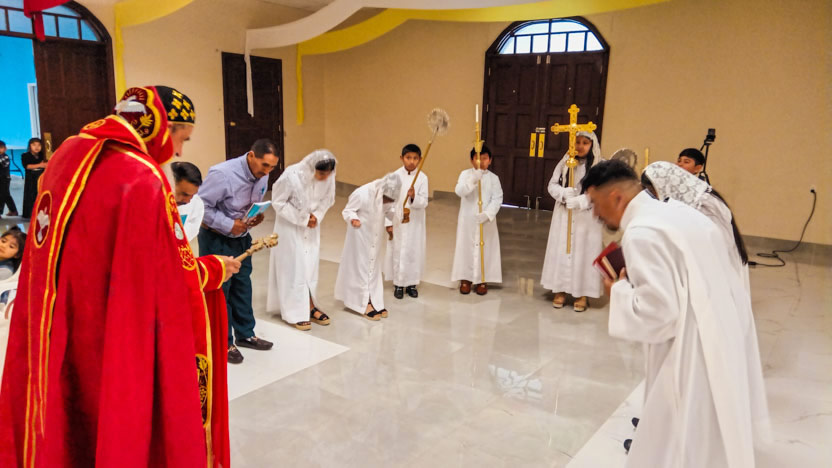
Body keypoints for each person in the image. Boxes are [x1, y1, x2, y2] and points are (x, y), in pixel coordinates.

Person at [0, 85, 241, 468]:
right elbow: (170, 275)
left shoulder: (69, 152)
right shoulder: (141, 177)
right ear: (161, 127)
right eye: (181, 138)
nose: (179, 152)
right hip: (109, 325)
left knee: (64, 413)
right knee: (111, 416)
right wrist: (214, 269)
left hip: (56, 315)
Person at [583, 160, 769, 467]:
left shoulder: (642, 232)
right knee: (709, 436)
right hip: (721, 335)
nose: (594, 214)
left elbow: (659, 315)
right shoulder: (680, 213)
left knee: (677, 440)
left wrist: (618, 290)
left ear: (615, 197)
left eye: (594, 203)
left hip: (689, 351)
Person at [199, 138, 279, 364]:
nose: (267, 172)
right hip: (216, 239)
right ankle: (223, 342)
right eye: (264, 165)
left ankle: (246, 334)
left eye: (272, 167)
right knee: (220, 291)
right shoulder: (222, 175)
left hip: (241, 238)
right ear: (251, 156)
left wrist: (255, 217)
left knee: (243, 286)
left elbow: (249, 205)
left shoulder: (263, 174)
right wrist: (228, 224)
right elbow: (201, 206)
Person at [641, 161, 750, 293]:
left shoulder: (705, 205)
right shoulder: (689, 199)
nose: (657, 197)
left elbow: (713, 252)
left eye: (655, 191)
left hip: (714, 272)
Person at [267, 150, 336, 330]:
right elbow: (278, 201)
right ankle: (293, 312)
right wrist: (303, 219)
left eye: (328, 174)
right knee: (293, 267)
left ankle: (309, 305)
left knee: (309, 266)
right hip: (290, 227)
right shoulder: (291, 175)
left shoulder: (328, 176)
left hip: (312, 228)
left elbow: (328, 199)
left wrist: (317, 216)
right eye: (321, 174)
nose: (325, 178)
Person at [540, 131, 604, 312]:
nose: (580, 146)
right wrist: (562, 193)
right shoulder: (565, 162)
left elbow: (602, 191)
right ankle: (560, 289)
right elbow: (552, 185)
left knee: (584, 252)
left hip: (586, 218)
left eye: (585, 143)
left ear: (592, 145)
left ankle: (582, 293)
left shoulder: (599, 166)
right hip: (564, 215)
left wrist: (583, 200)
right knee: (562, 249)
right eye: (577, 142)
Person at [335, 173, 400, 320]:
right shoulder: (362, 193)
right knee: (360, 268)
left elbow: (389, 211)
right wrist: (353, 219)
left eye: (391, 200)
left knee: (373, 268)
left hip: (375, 238)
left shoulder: (388, 197)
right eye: (386, 199)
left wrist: (396, 218)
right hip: (359, 235)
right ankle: (362, 303)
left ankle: (375, 300)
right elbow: (348, 210)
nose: (387, 202)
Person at [451, 145, 503, 295]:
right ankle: (465, 278)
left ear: (490, 160)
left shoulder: (494, 178)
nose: (481, 161)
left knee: (485, 249)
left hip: (486, 221)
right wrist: (472, 180)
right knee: (466, 247)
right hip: (468, 219)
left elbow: (497, 198)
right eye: (478, 158)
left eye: (485, 158)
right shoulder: (465, 174)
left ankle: (482, 279)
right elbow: (459, 191)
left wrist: (487, 214)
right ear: (471, 160)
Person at [383, 143, 428, 299]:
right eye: (408, 157)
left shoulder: (422, 178)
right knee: (398, 250)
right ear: (402, 158)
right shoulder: (394, 177)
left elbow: (424, 202)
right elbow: (387, 202)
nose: (411, 161)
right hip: (397, 221)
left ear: (420, 159)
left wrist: (414, 197)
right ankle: (398, 284)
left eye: (415, 158)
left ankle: (411, 284)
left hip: (415, 222)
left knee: (413, 251)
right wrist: (388, 223)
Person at [171, 161, 205, 242]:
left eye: (192, 195)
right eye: (184, 194)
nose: (188, 201)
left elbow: (190, 232)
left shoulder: (197, 203)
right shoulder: (151, 202)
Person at [21, 137, 47, 219]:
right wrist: (40, 165)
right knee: (31, 196)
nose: (37, 147)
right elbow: (27, 166)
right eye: (34, 145)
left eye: (39, 145)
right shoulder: (25, 155)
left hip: (41, 176)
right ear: (30, 146)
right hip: (31, 178)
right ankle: (30, 214)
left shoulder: (43, 155)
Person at [0, 227, 25, 304]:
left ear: (17, 255)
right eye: (3, 241)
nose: (3, 246)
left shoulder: (6, 271)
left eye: (11, 246)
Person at [0, 141, 18, 217]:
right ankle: (13, 210)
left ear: (5, 149)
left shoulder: (5, 157)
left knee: (3, 195)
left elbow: (4, 164)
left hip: (4, 179)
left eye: (1, 148)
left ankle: (9, 211)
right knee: (5, 195)